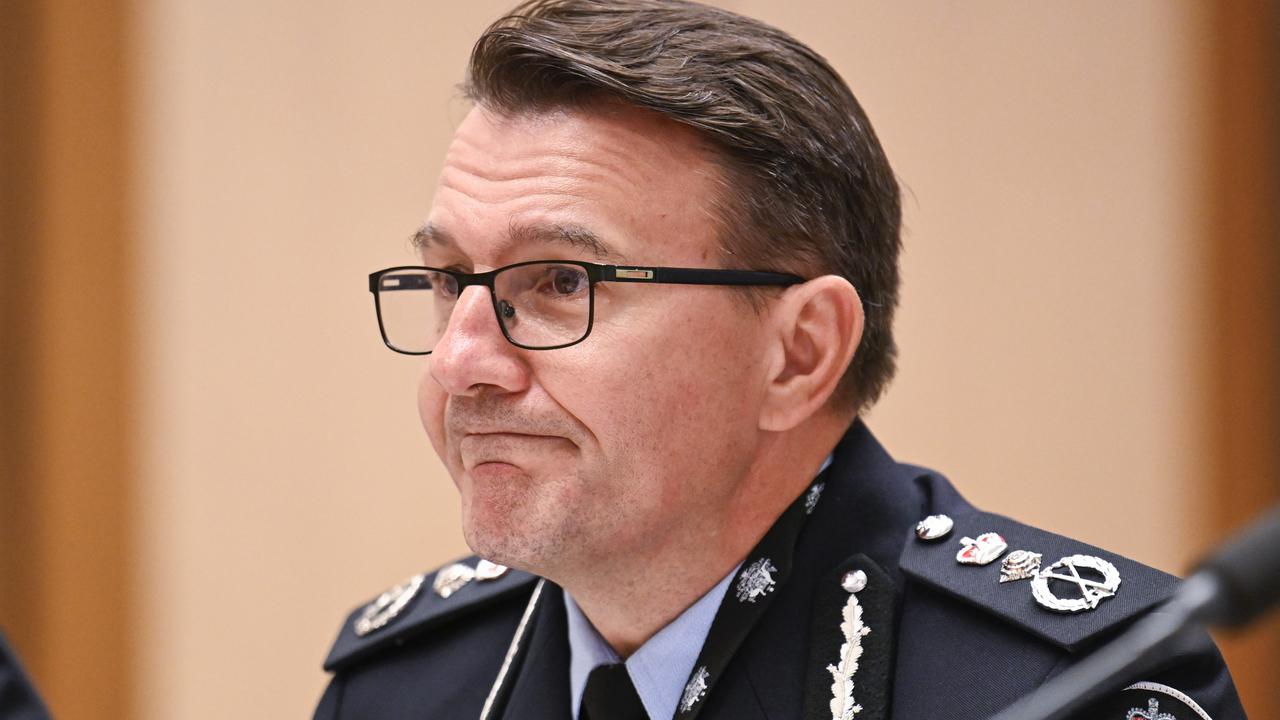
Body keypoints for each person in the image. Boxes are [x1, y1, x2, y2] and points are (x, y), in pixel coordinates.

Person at [315, 1, 1246, 718]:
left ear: (799, 354)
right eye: (448, 280)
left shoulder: (1072, 687)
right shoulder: (404, 685)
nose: (460, 363)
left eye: (562, 281)